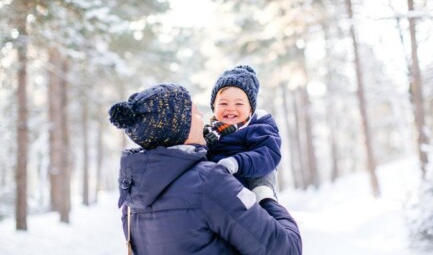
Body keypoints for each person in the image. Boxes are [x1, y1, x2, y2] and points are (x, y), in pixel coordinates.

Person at [109, 83, 302, 255]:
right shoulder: (208, 181)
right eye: (193, 113)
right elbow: (287, 249)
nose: (202, 115)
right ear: (179, 128)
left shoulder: (134, 195)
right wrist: (265, 193)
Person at [203, 65, 282, 188]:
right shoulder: (209, 134)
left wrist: (237, 162)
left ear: (250, 109)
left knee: (267, 199)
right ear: (214, 107)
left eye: (239, 103)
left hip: (250, 194)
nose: (230, 108)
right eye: (223, 103)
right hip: (216, 194)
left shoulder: (257, 128)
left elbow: (268, 155)